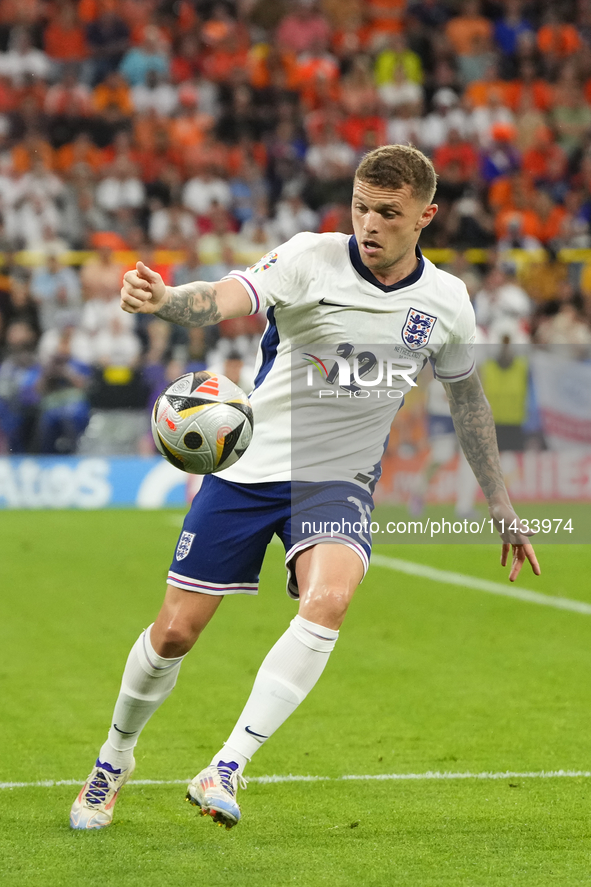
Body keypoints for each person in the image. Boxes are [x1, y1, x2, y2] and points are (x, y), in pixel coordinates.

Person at [70, 145, 540, 831]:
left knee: (330, 598)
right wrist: (168, 299)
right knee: (174, 632)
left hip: (336, 482)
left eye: (387, 213)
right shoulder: (306, 258)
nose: (368, 224)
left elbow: (467, 401)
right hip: (249, 468)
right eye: (359, 207)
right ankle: (114, 758)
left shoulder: (445, 303)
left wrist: (499, 501)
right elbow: (220, 300)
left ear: (425, 217)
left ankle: (225, 765)